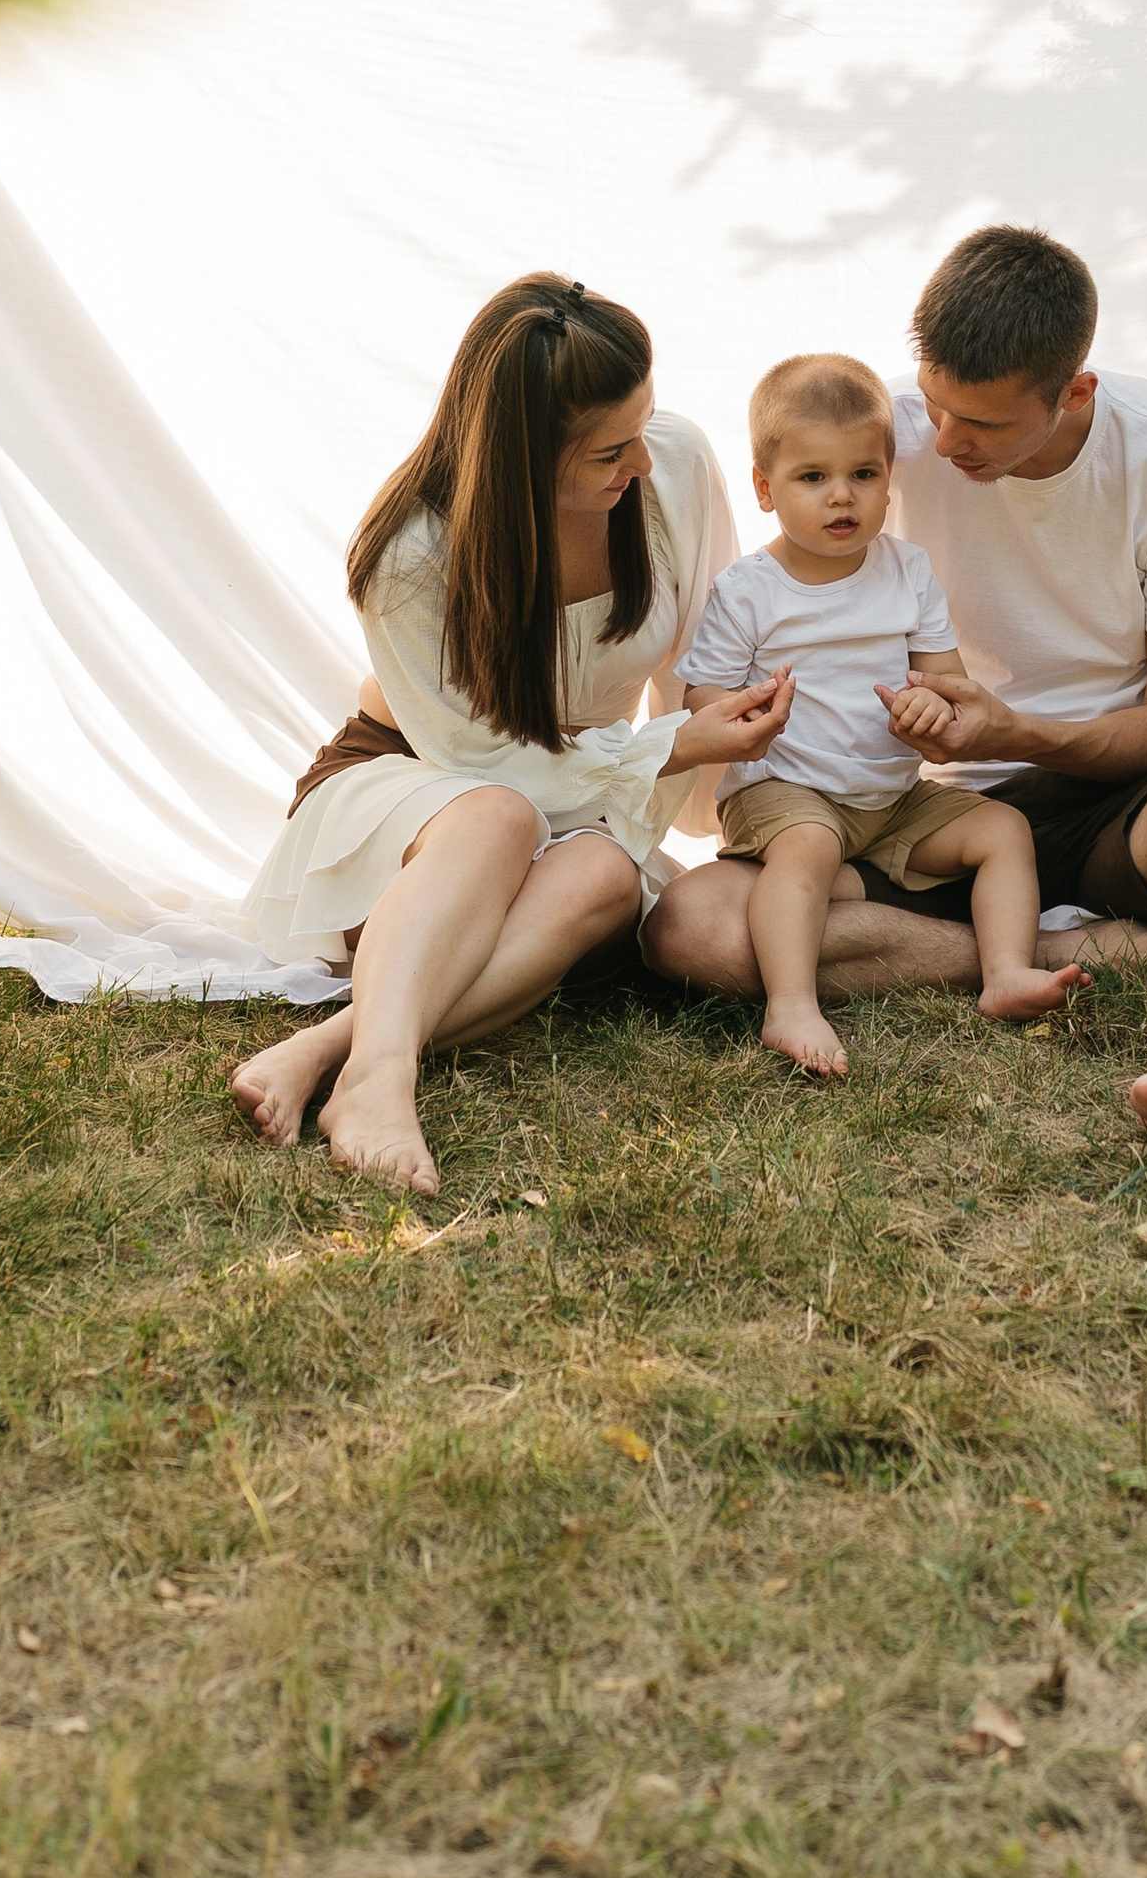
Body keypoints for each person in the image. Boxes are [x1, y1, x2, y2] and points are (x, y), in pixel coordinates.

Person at [644, 225, 1147, 1148]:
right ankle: (1064, 952)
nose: (943, 443)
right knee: (691, 928)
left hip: (1107, 799)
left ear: (1075, 393)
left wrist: (1015, 733)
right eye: (935, 407)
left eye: (980, 424)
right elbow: (789, 478)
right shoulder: (885, 433)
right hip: (911, 813)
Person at [229, 273, 791, 1193]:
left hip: (588, 794)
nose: (642, 463)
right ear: (525, 458)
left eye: (643, 428)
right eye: (610, 451)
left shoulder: (674, 465)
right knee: (495, 817)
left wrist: (725, 793)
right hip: (413, 789)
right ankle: (381, 1078)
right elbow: (479, 763)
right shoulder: (411, 550)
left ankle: (338, 1047)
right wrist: (672, 748)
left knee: (607, 871)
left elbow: (703, 662)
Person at [681, 351, 1091, 1078]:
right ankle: (792, 1005)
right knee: (807, 846)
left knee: (1001, 827)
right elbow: (702, 698)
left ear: (887, 478)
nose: (842, 497)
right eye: (813, 478)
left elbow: (946, 680)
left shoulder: (907, 570)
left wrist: (927, 708)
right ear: (764, 488)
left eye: (863, 475)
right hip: (787, 793)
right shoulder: (749, 589)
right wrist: (744, 716)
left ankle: (1006, 972)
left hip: (893, 797)